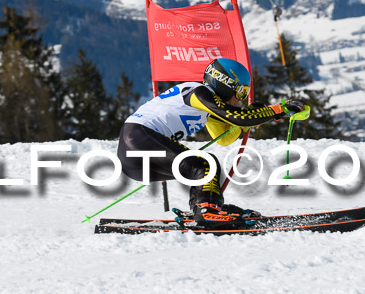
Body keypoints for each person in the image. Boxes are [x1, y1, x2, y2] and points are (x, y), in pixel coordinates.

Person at [117, 57, 305, 224]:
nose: (240, 99)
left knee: (206, 164)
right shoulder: (199, 92)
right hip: (138, 137)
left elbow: (225, 138)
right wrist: (278, 110)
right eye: (240, 92)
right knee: (203, 164)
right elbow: (237, 117)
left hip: (134, 153)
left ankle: (209, 207)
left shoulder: (208, 105)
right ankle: (206, 210)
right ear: (224, 83)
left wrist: (248, 119)